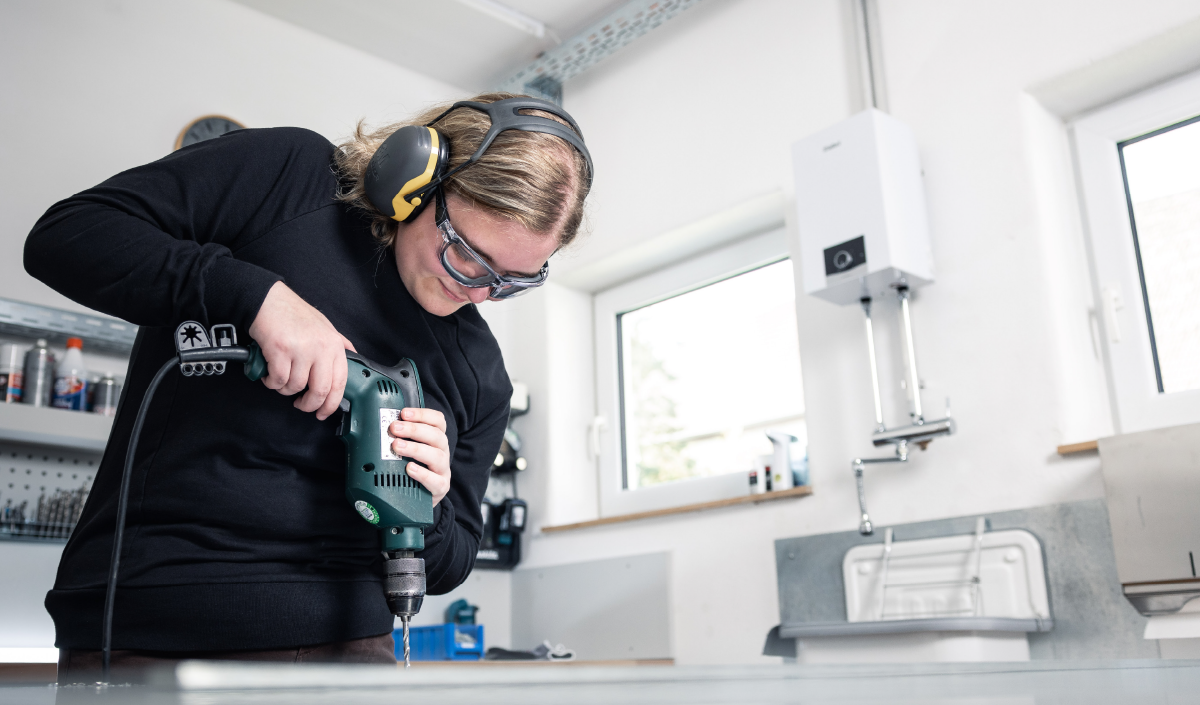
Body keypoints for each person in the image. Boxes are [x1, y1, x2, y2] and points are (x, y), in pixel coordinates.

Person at [23, 92, 591, 681]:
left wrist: (432, 498)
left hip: (350, 655)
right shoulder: (288, 179)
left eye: (511, 281)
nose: (478, 292)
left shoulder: (480, 372)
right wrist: (256, 298)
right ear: (414, 180)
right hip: (149, 628)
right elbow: (64, 237)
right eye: (468, 256)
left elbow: (451, 563)